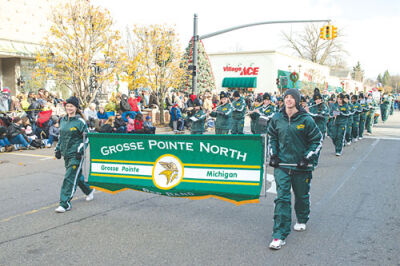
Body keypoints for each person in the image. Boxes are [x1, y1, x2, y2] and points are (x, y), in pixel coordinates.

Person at [267, 88, 323, 250]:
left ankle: (302, 217)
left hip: (301, 166)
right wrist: (273, 155)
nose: (289, 100)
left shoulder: (306, 120)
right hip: (283, 166)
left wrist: (307, 157)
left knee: (301, 195)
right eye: (286, 97)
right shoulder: (277, 118)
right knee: (282, 199)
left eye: (292, 98)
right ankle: (279, 235)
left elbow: (316, 141)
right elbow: (272, 138)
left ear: (297, 101)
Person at [54, 96, 94, 213]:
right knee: (76, 174)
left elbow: (86, 138)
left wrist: (80, 151)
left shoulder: (80, 122)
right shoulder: (63, 120)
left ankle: (65, 203)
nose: (69, 108)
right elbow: (61, 136)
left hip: (76, 155)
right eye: (67, 106)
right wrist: (57, 149)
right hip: (66, 153)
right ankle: (89, 190)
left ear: (76, 108)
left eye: (71, 106)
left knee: (69, 177)